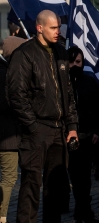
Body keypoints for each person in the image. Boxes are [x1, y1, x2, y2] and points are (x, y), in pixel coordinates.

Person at [7, 10, 79, 223]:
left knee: (55, 185)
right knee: (31, 184)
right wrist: (33, 126)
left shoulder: (61, 53)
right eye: (53, 28)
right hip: (36, 129)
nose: (58, 32)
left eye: (58, 27)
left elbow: (68, 93)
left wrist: (72, 125)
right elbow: (15, 94)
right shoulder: (25, 54)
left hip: (59, 130)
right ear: (39, 28)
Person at [67, 46, 99, 223]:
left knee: (84, 177)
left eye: (78, 62)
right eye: (71, 62)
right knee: (73, 177)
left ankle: (84, 210)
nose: (75, 65)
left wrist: (98, 131)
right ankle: (78, 208)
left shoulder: (90, 83)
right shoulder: (62, 84)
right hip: (67, 138)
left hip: (87, 137)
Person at [0, 36, 26, 223]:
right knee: (9, 178)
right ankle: (1, 216)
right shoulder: (7, 72)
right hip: (7, 136)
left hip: (7, 134)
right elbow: (9, 104)